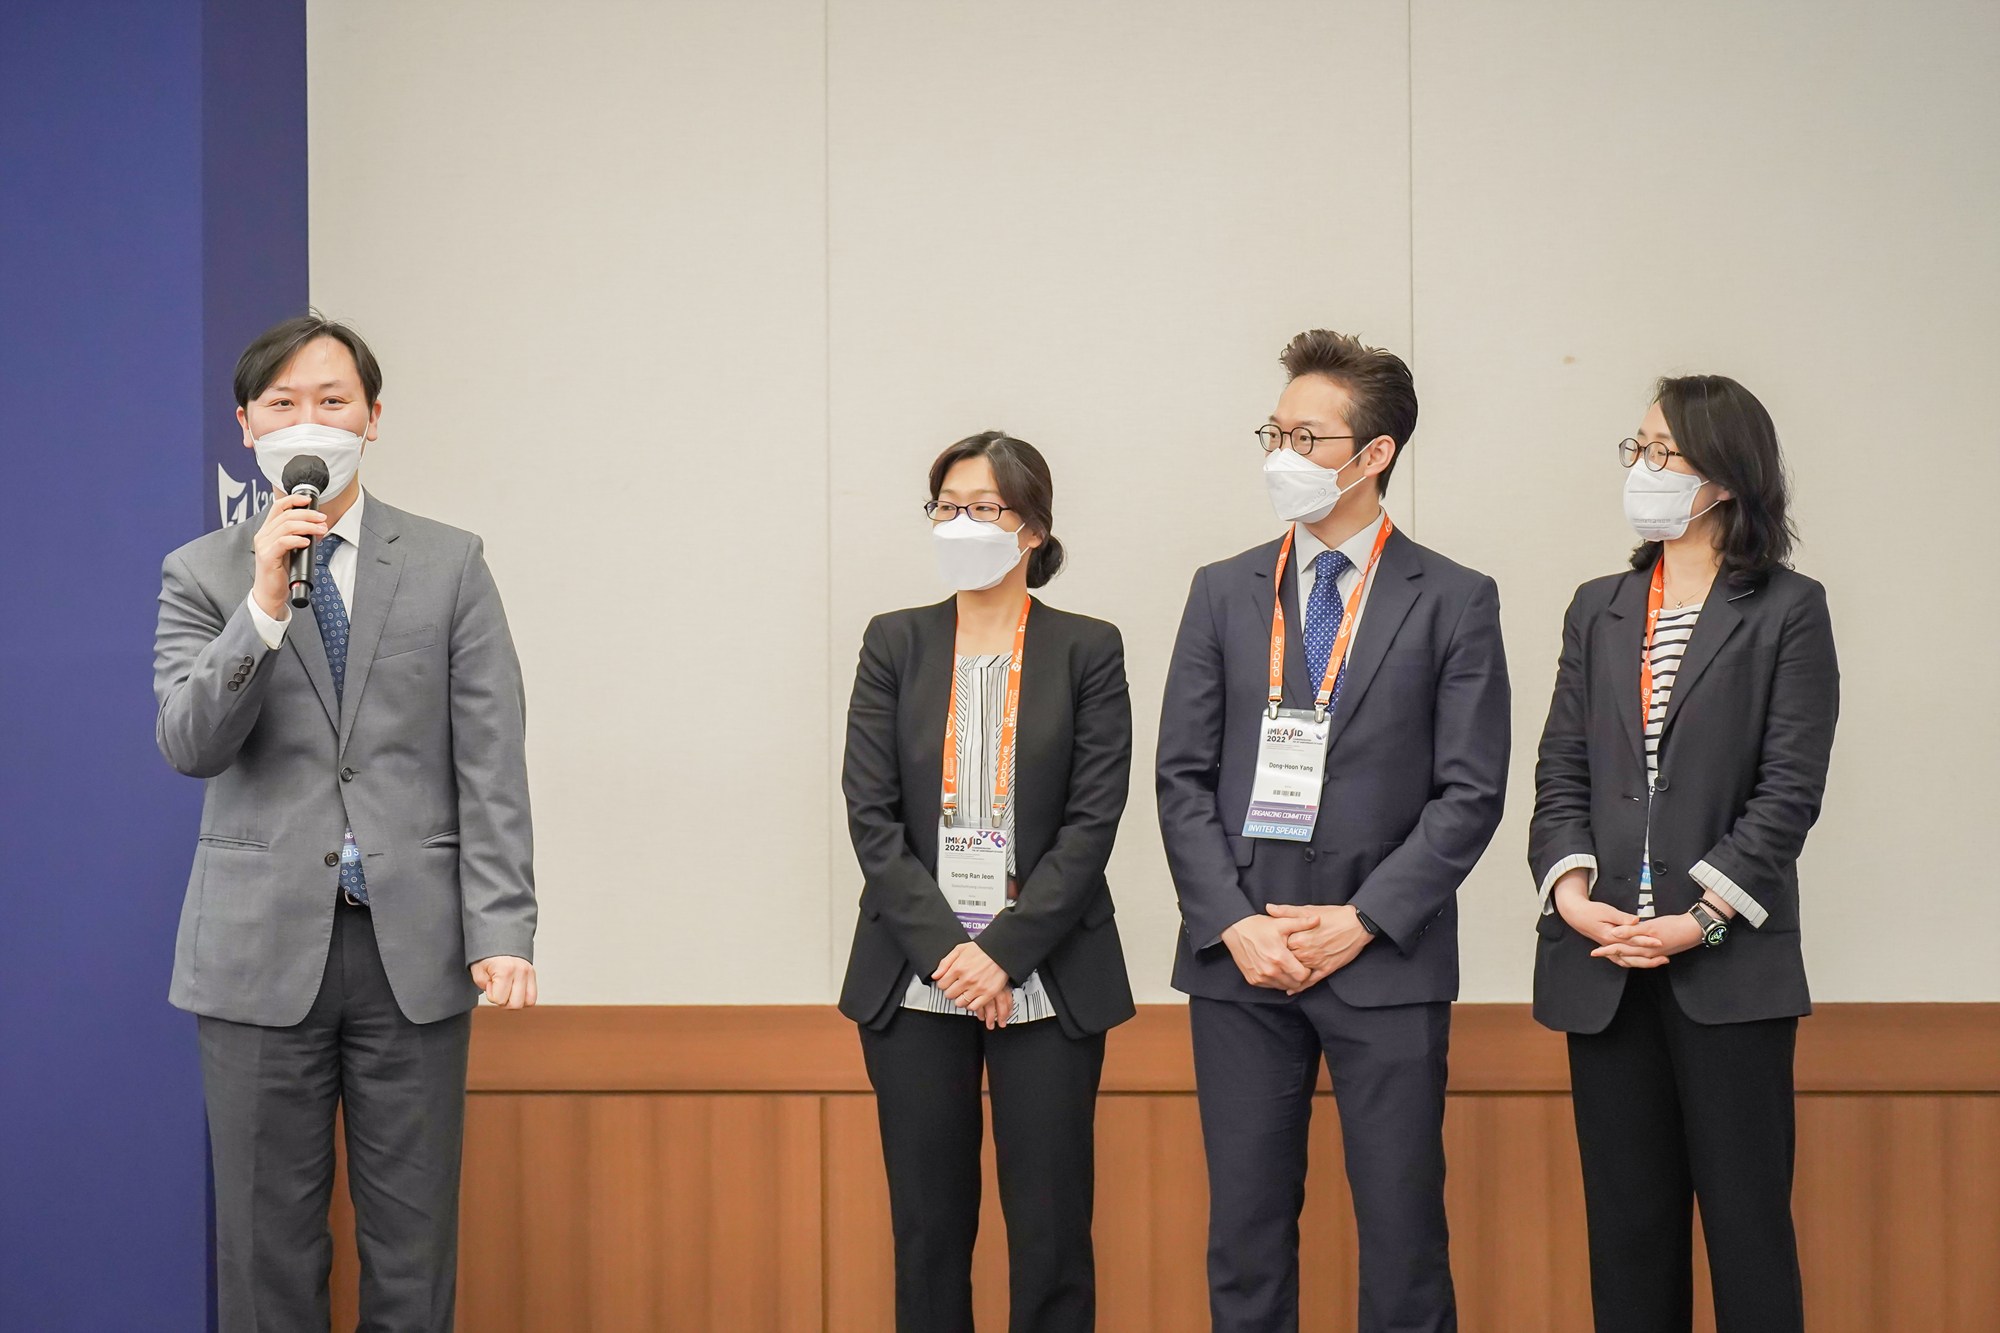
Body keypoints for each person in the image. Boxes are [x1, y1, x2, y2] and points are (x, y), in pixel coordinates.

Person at [154, 313, 538, 1333]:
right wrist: (262, 606)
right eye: (283, 403)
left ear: (372, 418)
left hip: (412, 948)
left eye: (332, 400)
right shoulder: (201, 571)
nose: (309, 421)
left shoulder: (450, 563)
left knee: (412, 1248)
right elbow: (188, 742)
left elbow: (491, 758)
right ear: (246, 426)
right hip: (255, 951)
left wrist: (502, 926)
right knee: (266, 1251)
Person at [1157, 330, 1510, 1333]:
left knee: (1403, 1238)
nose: (1282, 454)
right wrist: (1233, 921)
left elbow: (1469, 792)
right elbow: (1180, 777)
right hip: (1241, 962)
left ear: (1374, 453)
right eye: (1273, 433)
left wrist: (1361, 919)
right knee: (1245, 1237)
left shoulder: (1453, 598)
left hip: (1384, 960)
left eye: (1305, 437)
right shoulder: (1222, 589)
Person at [1530, 376, 1837, 1333]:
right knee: (1628, 1243)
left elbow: (1789, 792)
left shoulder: (1788, 608)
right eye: (1639, 447)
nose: (1643, 467)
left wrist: (1700, 918)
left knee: (1748, 1238)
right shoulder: (1600, 606)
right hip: (1605, 963)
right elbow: (1561, 766)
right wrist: (1570, 888)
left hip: (1728, 968)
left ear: (1726, 476)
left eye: (1664, 451)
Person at [839, 431, 1135, 1333]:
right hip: (914, 971)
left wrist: (1000, 953)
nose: (959, 522)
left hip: (1048, 972)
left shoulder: (1087, 648)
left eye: (984, 508)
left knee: (1051, 1235)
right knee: (928, 1234)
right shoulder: (895, 641)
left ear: (1032, 529)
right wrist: (952, 955)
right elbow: (870, 815)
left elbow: (1092, 823)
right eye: (946, 506)